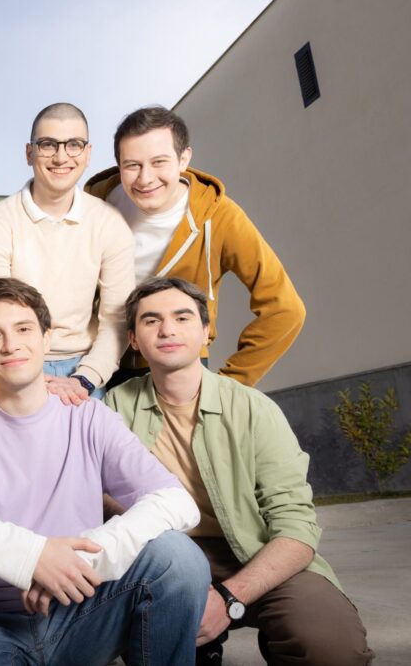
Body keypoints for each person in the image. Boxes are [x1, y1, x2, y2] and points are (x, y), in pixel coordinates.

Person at [0, 277, 207, 665]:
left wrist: (78, 562)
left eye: (23, 329)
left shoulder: (88, 417)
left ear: (46, 338)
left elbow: (176, 502)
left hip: (82, 608)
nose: (11, 345)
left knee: (177, 557)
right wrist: (31, 557)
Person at [104, 277, 372, 665]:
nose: (167, 330)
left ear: (206, 331)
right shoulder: (113, 408)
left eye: (182, 317)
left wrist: (229, 597)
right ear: (133, 339)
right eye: (151, 320)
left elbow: (297, 526)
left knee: (331, 649)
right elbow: (92, 496)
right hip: (163, 559)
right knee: (155, 643)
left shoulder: (253, 408)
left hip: (255, 552)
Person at [86, 106, 305, 388]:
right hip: (101, 366)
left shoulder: (220, 216)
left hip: (182, 365)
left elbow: (286, 309)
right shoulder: (96, 205)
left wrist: (230, 385)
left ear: (184, 159)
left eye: (159, 162)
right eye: (132, 165)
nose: (145, 178)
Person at [0, 103, 135, 404]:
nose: (61, 157)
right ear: (29, 153)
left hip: (85, 367)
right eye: (48, 144)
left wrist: (86, 377)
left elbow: (116, 319)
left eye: (74, 145)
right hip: (10, 360)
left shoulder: (110, 223)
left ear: (87, 153)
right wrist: (27, 378)